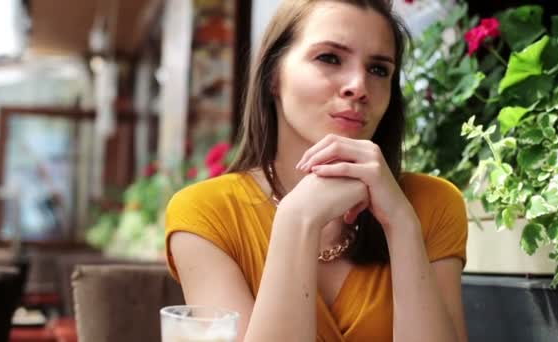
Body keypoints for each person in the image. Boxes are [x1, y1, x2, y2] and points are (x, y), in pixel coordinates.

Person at [165, 0, 468, 341]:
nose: (359, 86)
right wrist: (298, 219)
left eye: (379, 69)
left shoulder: (432, 204)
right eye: (330, 58)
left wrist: (400, 222)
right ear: (273, 76)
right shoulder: (206, 214)